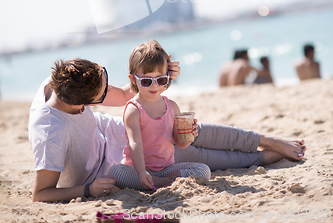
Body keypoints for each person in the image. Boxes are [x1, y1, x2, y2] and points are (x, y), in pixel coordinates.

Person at [29, 52, 306, 203]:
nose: (109, 90)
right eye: (103, 93)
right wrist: (86, 192)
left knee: (195, 130)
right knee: (203, 158)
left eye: (105, 76)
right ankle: (263, 157)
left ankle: (266, 140)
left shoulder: (61, 80)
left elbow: (126, 95)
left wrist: (157, 78)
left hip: (119, 132)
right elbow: (41, 194)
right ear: (82, 105)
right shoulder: (51, 134)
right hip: (119, 164)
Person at [108, 40, 210, 190]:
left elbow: (180, 143)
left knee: (203, 170)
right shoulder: (133, 109)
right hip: (137, 169)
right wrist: (142, 172)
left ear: (168, 77)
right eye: (146, 81)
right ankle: (160, 182)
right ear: (133, 80)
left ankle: (160, 181)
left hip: (167, 169)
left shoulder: (172, 106)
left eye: (161, 79)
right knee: (116, 173)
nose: (155, 85)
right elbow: (134, 143)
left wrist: (189, 135)